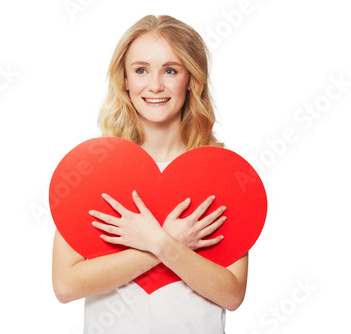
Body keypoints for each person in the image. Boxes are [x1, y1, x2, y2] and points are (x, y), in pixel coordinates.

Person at [52, 14, 248, 333]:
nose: (155, 85)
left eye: (170, 70)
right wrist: (165, 243)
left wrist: (159, 241)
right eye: (141, 70)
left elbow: (232, 294)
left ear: (192, 79)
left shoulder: (222, 172)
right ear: (125, 80)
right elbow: (65, 285)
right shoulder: (93, 169)